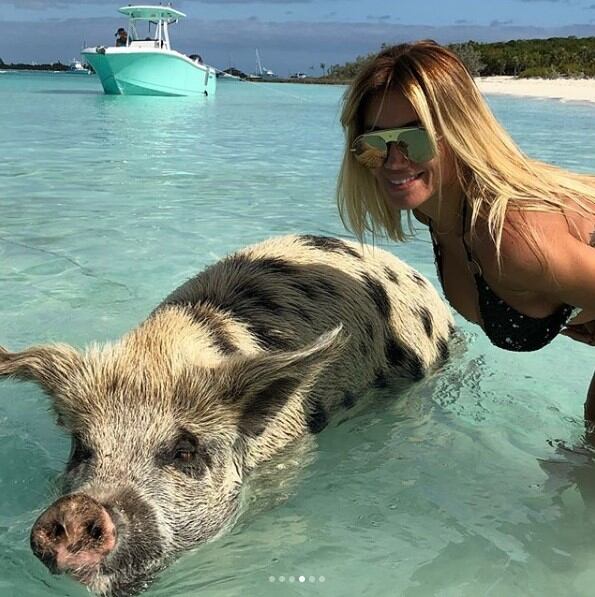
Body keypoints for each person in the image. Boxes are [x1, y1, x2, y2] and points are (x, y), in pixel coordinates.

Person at [336, 41, 595, 418]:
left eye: (414, 138)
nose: (394, 161)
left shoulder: (510, 238)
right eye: (375, 143)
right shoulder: (436, 210)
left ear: (460, 133)